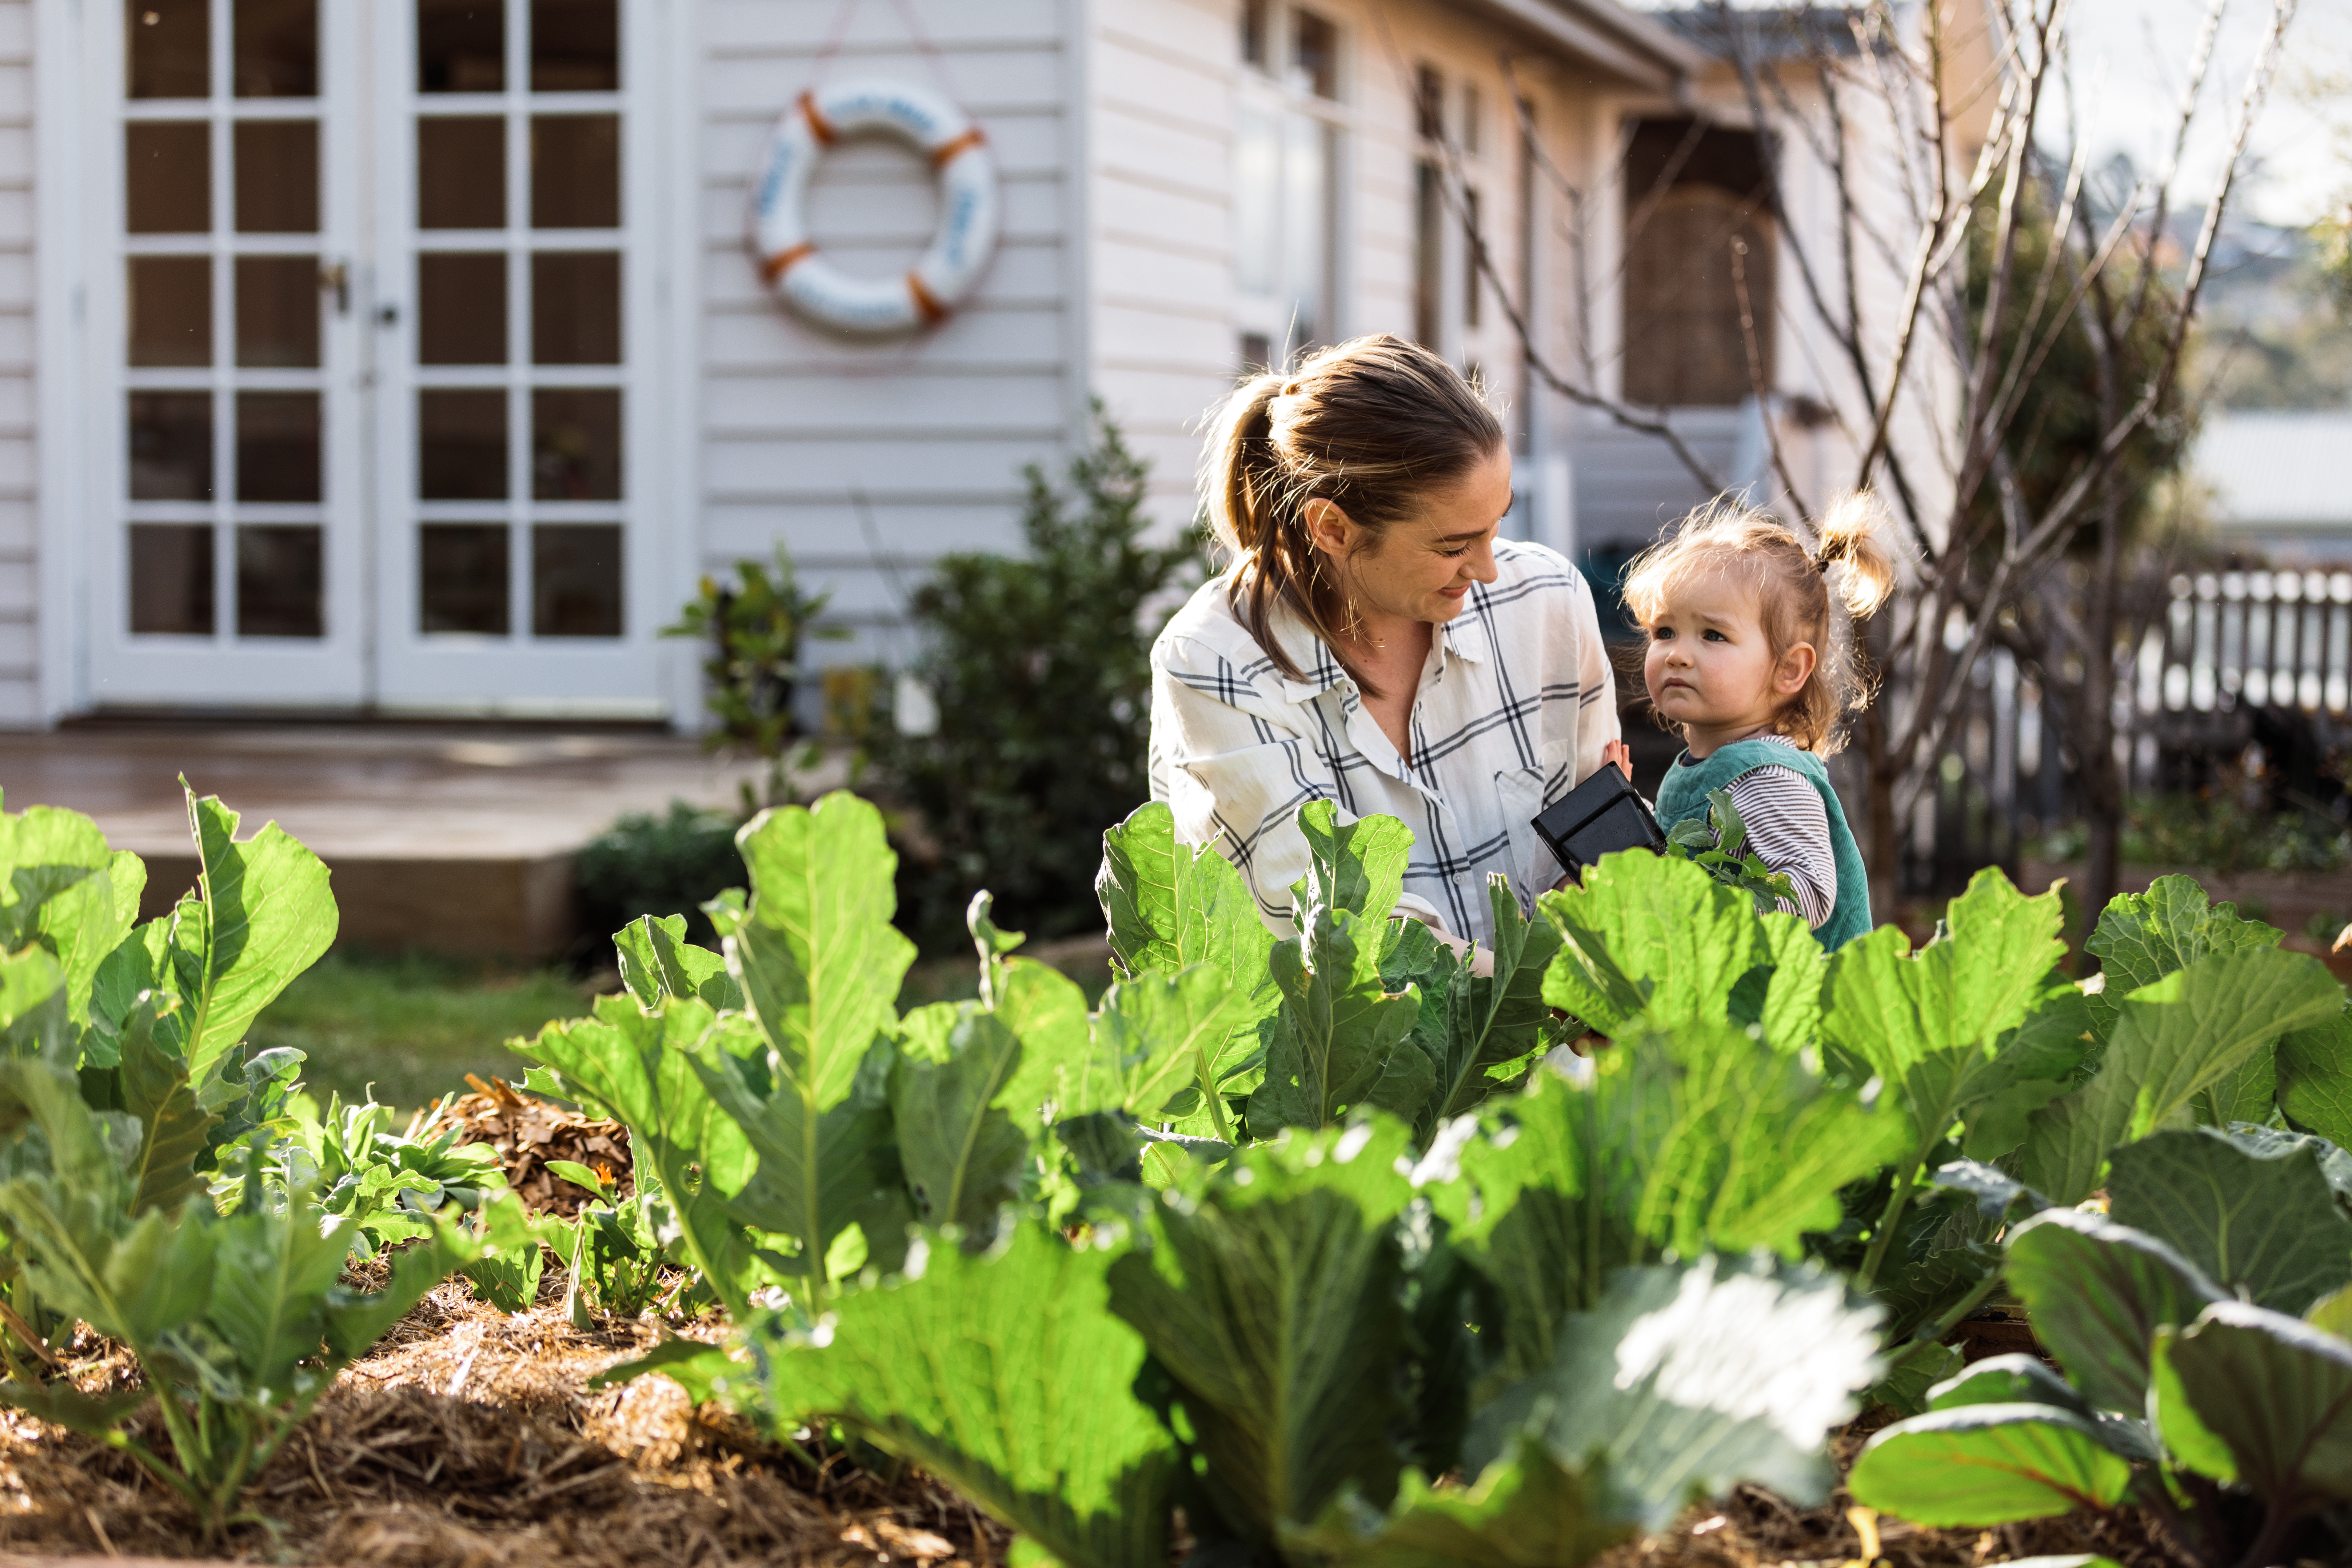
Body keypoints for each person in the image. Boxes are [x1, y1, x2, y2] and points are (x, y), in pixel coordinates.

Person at [1148, 334, 1628, 959]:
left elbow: (1598, 835)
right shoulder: (1215, 664)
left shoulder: (1546, 600)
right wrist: (1556, 999)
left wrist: (1609, 921)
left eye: (1497, 524)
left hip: (1564, 1050)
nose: (1486, 568)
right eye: (1453, 546)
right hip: (1357, 1057)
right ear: (1334, 528)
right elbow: (1344, 934)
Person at [1624, 491, 1897, 950]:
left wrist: (1694, 917)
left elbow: (1808, 892)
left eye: (1712, 635)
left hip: (1794, 1014)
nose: (1677, 655)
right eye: (1664, 631)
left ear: (1788, 669)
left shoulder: (1766, 778)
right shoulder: (1716, 764)